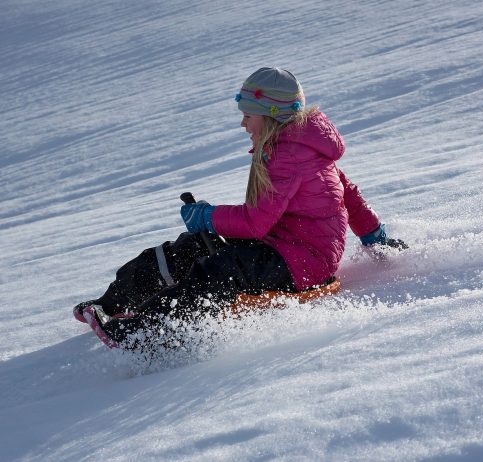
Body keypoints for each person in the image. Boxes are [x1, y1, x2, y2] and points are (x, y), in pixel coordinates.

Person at [75, 67, 406, 351]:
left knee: (220, 269)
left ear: (272, 116)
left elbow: (255, 223)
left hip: (304, 262)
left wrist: (207, 216)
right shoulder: (302, 148)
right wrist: (374, 235)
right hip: (283, 246)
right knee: (191, 247)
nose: (244, 124)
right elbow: (350, 196)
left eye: (248, 115)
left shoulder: (289, 156)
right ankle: (114, 304)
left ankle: (144, 334)